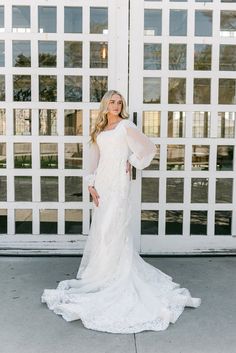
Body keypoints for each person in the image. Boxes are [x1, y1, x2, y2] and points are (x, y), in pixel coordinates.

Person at [41, 90, 201, 334]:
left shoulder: (126, 126)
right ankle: (101, 272)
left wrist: (132, 161)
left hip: (119, 183)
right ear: (105, 105)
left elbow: (149, 147)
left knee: (113, 227)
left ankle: (116, 275)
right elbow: (93, 159)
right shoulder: (99, 130)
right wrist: (91, 185)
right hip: (103, 182)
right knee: (102, 229)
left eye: (119, 102)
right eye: (112, 102)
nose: (116, 105)